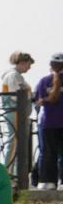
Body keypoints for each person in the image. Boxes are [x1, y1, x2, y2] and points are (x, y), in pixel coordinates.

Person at [0, 51, 34, 174]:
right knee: (14, 140)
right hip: (15, 111)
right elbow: (16, 96)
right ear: (22, 62)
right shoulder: (14, 76)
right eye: (28, 64)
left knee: (15, 141)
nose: (29, 68)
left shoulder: (15, 75)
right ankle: (8, 172)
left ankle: (13, 171)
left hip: (16, 111)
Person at [33, 53, 63, 190]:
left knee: (48, 152)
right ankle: (58, 181)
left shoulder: (44, 81)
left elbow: (39, 101)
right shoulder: (45, 81)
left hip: (49, 122)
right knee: (52, 153)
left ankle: (47, 181)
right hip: (51, 122)